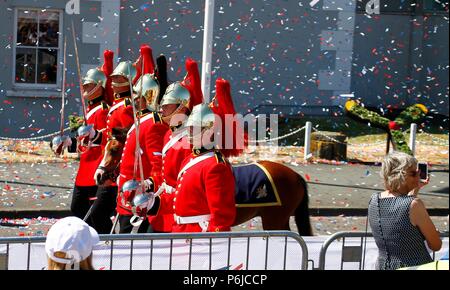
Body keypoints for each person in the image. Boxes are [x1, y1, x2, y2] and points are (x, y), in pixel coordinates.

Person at [116, 45, 169, 233]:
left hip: (139, 196)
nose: (133, 99)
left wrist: (148, 185)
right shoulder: (140, 120)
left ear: (148, 97)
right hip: (128, 194)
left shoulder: (154, 123)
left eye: (138, 96)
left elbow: (157, 163)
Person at [368, 151, 442, 270]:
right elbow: (436, 245)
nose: (418, 176)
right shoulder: (413, 204)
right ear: (399, 175)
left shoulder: (374, 199)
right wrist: (429, 234)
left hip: (383, 266)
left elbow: (398, 229)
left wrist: (414, 189)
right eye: (413, 173)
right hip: (414, 266)